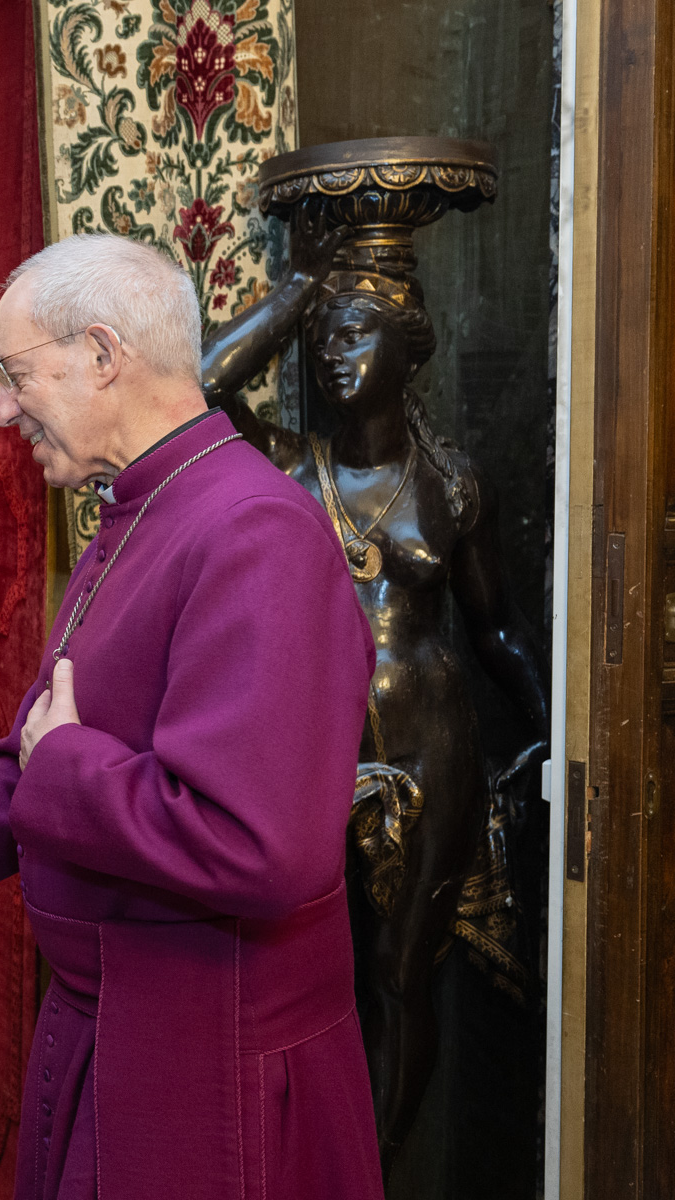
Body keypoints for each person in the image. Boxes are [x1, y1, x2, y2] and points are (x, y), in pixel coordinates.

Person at [0, 234, 384, 1199]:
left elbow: (258, 845)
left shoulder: (254, 533)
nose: (0, 409)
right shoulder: (141, 508)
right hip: (113, 1032)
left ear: (101, 353)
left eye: (14, 374)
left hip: (207, 1066)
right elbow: (28, 763)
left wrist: (70, 765)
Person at [200, 206, 549, 1168]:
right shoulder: (288, 469)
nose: (332, 357)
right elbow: (203, 384)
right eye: (322, 342)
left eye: (357, 333)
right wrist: (309, 286)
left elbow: (500, 629)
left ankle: (378, 1173)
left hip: (431, 740)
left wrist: (558, 736)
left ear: (409, 346)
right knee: (304, 965)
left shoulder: (451, 486)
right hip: (312, 742)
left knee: (405, 974)